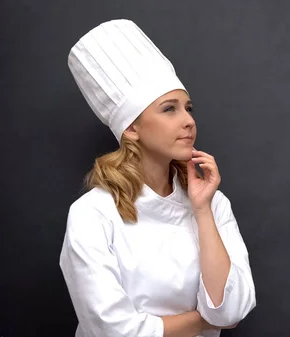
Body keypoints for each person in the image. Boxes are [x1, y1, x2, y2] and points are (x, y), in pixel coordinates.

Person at [59, 19, 256, 337]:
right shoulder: (93, 214)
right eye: (169, 109)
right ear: (132, 128)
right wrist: (205, 321)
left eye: (188, 108)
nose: (188, 121)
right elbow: (113, 331)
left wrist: (202, 210)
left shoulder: (214, 203)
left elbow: (231, 309)